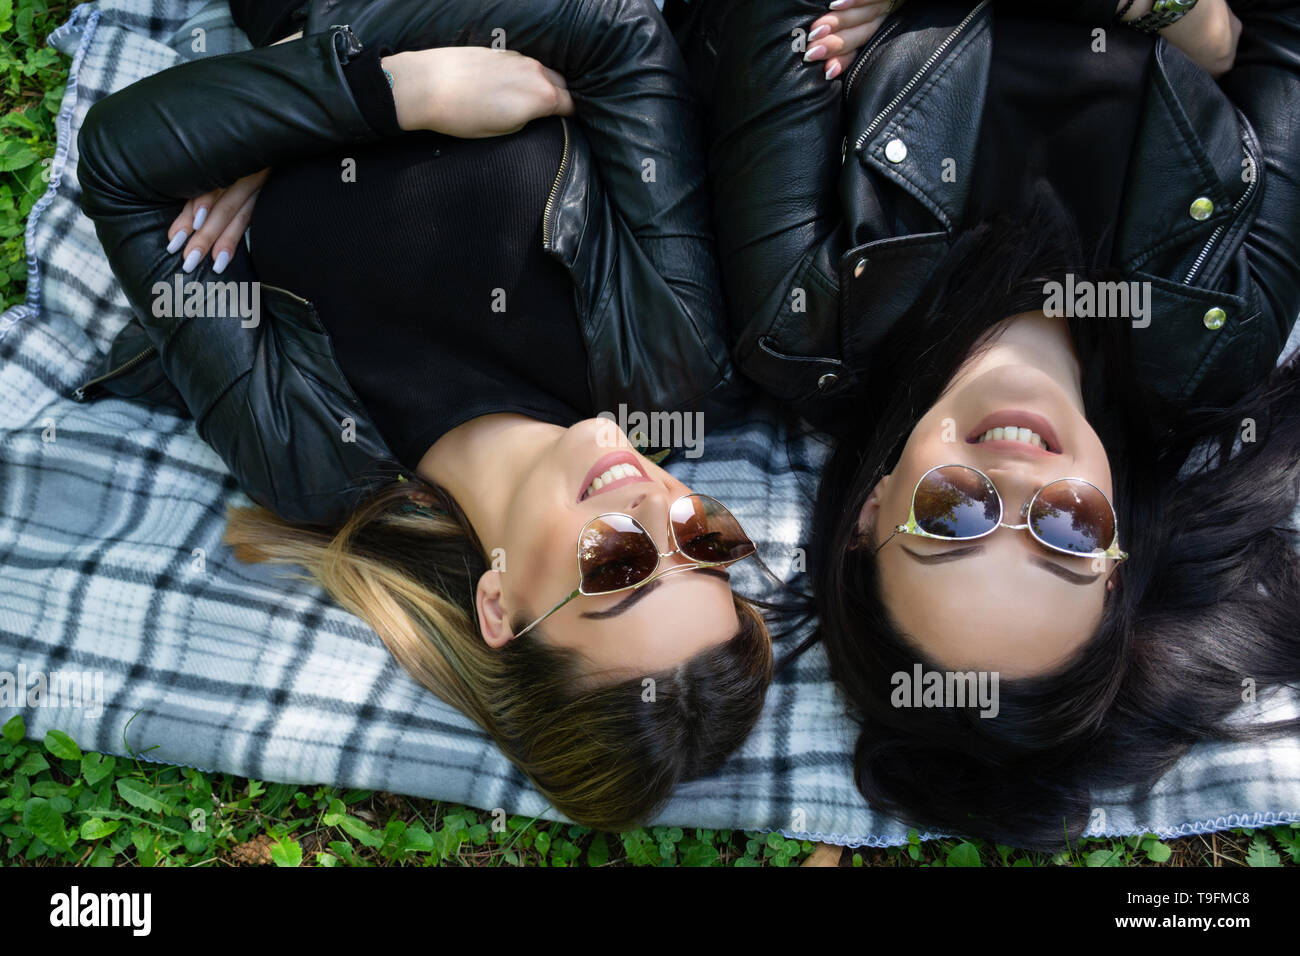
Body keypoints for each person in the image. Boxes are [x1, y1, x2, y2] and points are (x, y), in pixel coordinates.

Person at [72, 0, 777, 831]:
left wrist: (387, 92)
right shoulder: (672, 355)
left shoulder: (303, 452)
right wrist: (274, 102)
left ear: (500, 606)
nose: (658, 504)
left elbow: (122, 164)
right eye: (703, 542)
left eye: (619, 563)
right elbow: (616, 31)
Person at [670, 0, 1300, 846]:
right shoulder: (1225, 338)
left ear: (870, 512)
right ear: (1117, 557)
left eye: (953, 514)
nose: (1015, 482)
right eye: (1068, 529)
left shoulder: (798, 310)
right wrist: (1190, 22)